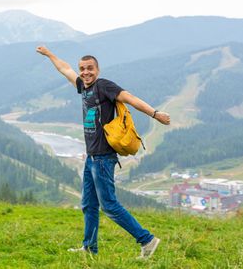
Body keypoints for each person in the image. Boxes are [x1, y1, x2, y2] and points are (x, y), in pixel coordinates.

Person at [36, 45, 170, 259]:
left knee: (109, 205)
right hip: (91, 158)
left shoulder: (103, 86)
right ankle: (89, 248)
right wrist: (50, 54)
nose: (85, 72)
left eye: (90, 68)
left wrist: (155, 114)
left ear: (97, 70)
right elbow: (65, 69)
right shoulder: (83, 87)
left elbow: (130, 98)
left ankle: (147, 240)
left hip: (104, 158)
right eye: (82, 68)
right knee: (89, 204)